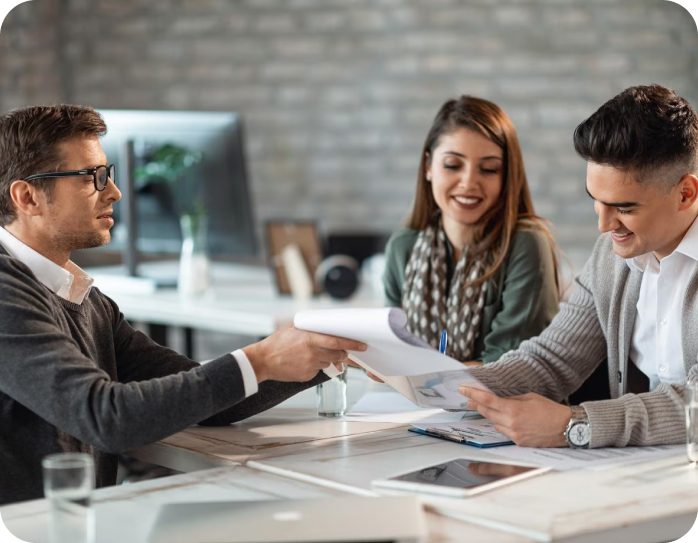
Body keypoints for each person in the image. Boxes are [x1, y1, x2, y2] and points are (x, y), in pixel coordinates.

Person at [0, 104, 366, 504]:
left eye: (109, 174)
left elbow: (208, 400)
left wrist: (326, 351)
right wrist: (260, 358)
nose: (115, 192)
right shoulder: (6, 294)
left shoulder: (81, 296)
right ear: (27, 197)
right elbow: (105, 417)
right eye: (94, 177)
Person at [460, 84, 698, 449]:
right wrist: (432, 381)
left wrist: (575, 425)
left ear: (686, 193)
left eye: (624, 207)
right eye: (596, 201)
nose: (603, 226)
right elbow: (551, 360)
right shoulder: (613, 254)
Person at [383, 95, 559, 364]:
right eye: (453, 165)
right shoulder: (402, 247)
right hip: (418, 404)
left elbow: (509, 365)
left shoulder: (526, 244)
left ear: (506, 176)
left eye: (489, 169)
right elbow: (394, 349)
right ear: (428, 166)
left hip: (505, 404)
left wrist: (420, 375)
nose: (468, 183)